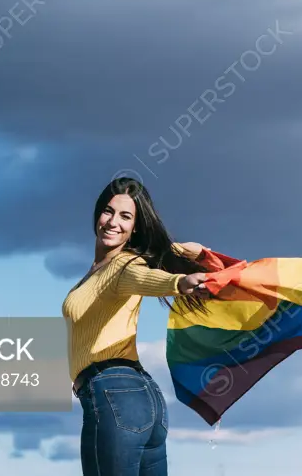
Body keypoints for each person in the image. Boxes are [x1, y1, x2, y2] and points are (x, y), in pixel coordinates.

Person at [62, 177, 212, 476]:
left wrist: (179, 283)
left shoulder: (124, 265)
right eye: (109, 211)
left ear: (135, 228)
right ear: (97, 213)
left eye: (125, 216)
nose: (112, 222)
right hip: (143, 399)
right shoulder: (101, 270)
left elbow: (146, 279)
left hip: (114, 394)